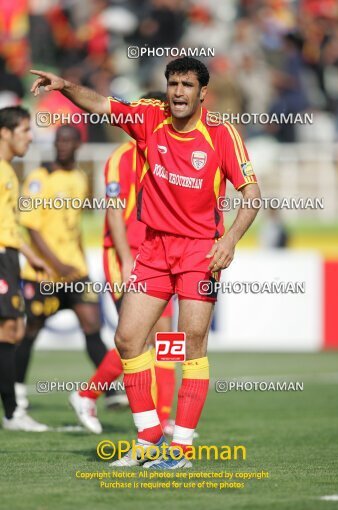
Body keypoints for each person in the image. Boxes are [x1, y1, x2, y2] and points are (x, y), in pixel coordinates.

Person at [31, 56, 261, 469]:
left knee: (191, 345)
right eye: (173, 84)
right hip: (153, 250)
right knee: (127, 339)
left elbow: (252, 195)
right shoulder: (150, 116)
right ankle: (149, 437)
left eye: (187, 86)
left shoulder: (221, 134)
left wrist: (230, 239)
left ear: (202, 93)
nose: (177, 93)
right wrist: (64, 84)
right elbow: (101, 104)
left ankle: (182, 449)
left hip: (199, 252)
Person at [70, 92, 177, 436]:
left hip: (157, 255)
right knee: (139, 334)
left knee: (165, 336)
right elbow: (115, 212)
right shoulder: (121, 157)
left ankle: (164, 417)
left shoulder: (167, 154)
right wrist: (127, 259)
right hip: (126, 257)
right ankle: (87, 394)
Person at [15, 125, 108, 409]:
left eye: (68, 141)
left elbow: (75, 228)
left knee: (92, 324)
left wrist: (80, 263)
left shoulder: (80, 178)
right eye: (59, 141)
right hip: (44, 273)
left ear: (79, 145)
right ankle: (17, 390)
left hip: (75, 271)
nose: (62, 145)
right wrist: (57, 265)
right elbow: (32, 228)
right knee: (30, 331)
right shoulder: (39, 178)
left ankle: (110, 387)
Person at [0, 106, 50, 431]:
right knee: (10, 329)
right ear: (5, 132)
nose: (31, 137)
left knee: (13, 330)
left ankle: (12, 411)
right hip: (2, 255)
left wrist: (29, 254)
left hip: (10, 256)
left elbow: (11, 224)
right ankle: (12, 414)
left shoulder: (8, 171)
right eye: (24, 131)